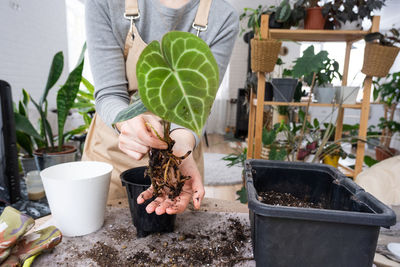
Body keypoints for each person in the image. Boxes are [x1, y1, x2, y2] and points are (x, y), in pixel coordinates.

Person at [83, 0, 239, 215]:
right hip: (114, 148)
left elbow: (196, 106)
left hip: (178, 156)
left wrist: (180, 148)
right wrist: (126, 122)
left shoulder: (222, 16)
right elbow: (110, 93)